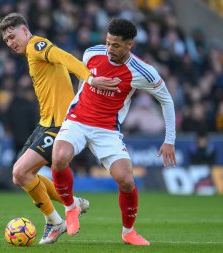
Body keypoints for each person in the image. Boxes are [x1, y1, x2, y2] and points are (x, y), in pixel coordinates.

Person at [0, 13, 120, 244]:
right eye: (6, 40)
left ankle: (55, 221)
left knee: (21, 172)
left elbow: (64, 57)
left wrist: (90, 79)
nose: (11, 42)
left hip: (60, 124)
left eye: (12, 36)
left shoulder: (36, 45)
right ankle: (72, 203)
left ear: (24, 30)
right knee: (20, 176)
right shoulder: (33, 51)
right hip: (46, 123)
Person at [52, 18, 177, 245]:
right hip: (77, 120)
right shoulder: (91, 53)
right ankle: (71, 207)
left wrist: (169, 140)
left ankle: (128, 231)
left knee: (126, 180)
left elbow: (166, 100)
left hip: (107, 130)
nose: (109, 49)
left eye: (116, 45)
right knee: (59, 158)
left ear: (130, 44)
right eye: (108, 42)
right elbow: (80, 75)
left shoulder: (143, 72)